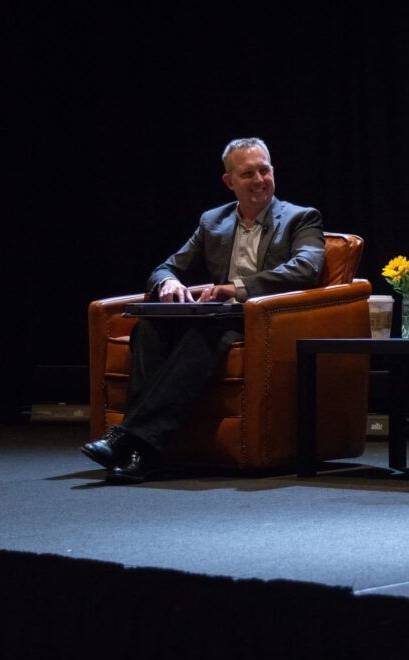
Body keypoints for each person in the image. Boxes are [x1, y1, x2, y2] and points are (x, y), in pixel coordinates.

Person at [81, 137, 325, 484]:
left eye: (264, 170)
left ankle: (126, 439)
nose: (259, 180)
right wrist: (168, 284)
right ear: (229, 182)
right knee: (149, 328)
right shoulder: (214, 221)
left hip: (265, 320)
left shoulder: (301, 218)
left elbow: (306, 269)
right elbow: (166, 267)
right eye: (247, 174)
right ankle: (145, 453)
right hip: (217, 316)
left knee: (207, 331)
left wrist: (238, 288)